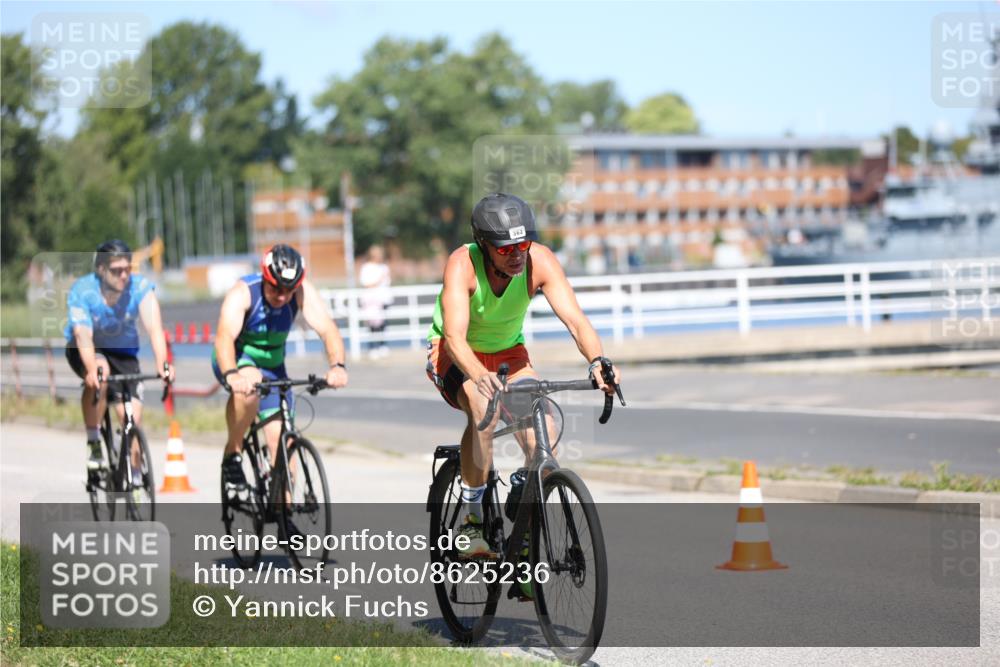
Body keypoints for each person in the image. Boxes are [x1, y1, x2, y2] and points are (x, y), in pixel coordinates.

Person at [425, 193, 621, 580]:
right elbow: (454, 336)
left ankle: (525, 524)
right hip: (453, 352)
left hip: (509, 355)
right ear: (484, 244)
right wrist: (477, 376)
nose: (517, 254)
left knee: (544, 432)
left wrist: (597, 361)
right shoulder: (462, 264)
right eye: (506, 248)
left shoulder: (541, 261)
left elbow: (577, 321)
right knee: (482, 410)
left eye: (523, 244)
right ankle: (472, 518)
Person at [213, 244, 349, 491]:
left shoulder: (301, 291)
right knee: (250, 384)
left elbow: (328, 329)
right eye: (276, 288)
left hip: (274, 368)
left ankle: (285, 518)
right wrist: (232, 375)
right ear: (265, 277)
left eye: (289, 290)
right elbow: (224, 337)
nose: (283, 297)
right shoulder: (243, 292)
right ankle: (233, 452)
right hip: (237, 359)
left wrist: (337, 366)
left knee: (282, 448)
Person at [64, 239, 174, 479]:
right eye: (116, 271)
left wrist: (163, 365)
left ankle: (135, 479)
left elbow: (154, 328)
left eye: (127, 269)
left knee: (131, 419)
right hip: (88, 348)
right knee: (100, 375)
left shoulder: (140, 287)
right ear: (101, 270)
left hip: (123, 352)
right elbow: (82, 335)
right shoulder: (83, 291)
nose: (124, 276)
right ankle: (94, 442)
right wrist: (92, 369)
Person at [359, 244, 392, 358]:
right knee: (372, 325)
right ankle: (372, 347)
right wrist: (379, 280)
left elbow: (387, 282)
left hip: (384, 299)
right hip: (372, 301)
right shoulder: (367, 267)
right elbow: (366, 283)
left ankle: (383, 345)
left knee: (384, 324)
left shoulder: (384, 267)